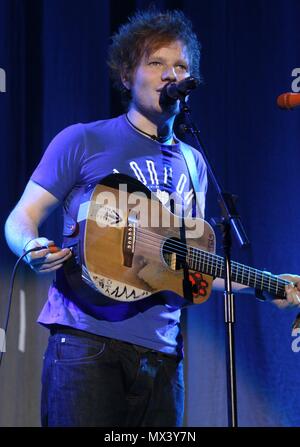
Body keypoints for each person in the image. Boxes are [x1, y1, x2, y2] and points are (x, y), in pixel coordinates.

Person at [4, 9, 300, 427]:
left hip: (163, 357)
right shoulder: (84, 139)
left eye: (180, 66)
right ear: (127, 76)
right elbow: (20, 219)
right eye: (155, 62)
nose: (170, 75)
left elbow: (188, 264)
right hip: (88, 345)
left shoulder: (195, 163)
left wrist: (265, 286)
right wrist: (29, 245)